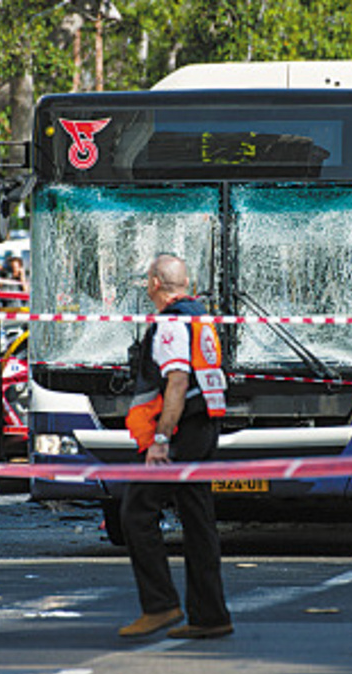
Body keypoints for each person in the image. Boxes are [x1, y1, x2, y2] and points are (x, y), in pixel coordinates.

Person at [118, 254, 232, 639]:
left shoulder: (170, 322)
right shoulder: (199, 316)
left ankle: (161, 606)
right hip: (204, 426)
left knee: (136, 510)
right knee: (198, 520)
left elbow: (177, 382)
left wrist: (161, 440)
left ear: (153, 283)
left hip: (182, 432)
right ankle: (210, 616)